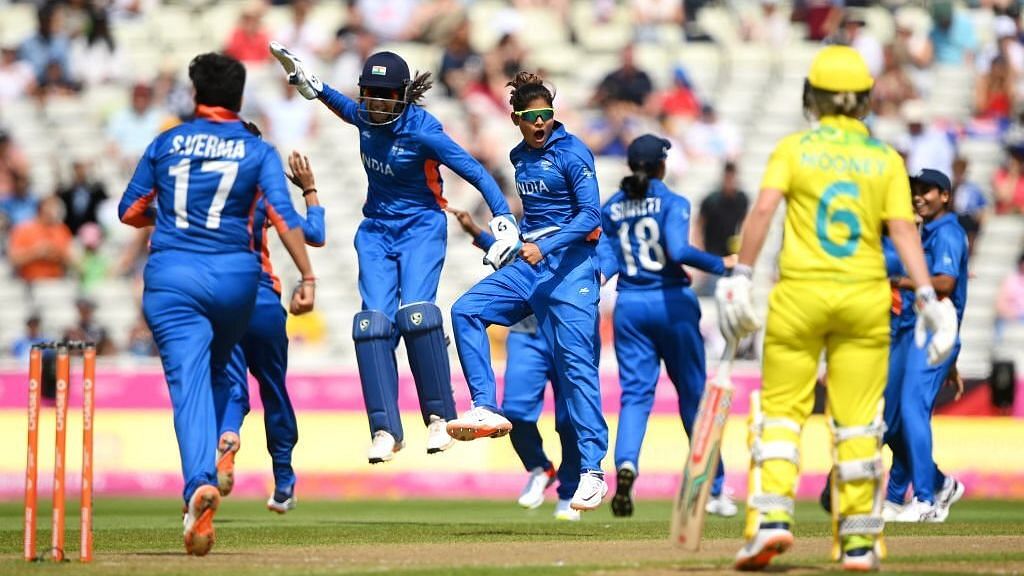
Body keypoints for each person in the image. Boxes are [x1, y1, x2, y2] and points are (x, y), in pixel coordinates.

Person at [715, 46, 958, 572]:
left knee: (780, 417)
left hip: (800, 297)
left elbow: (761, 211)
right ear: (865, 100)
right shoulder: (884, 159)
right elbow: (902, 232)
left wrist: (740, 276)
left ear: (812, 97)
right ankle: (859, 542)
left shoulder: (794, 148)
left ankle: (772, 523)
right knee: (858, 427)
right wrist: (924, 295)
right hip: (864, 301)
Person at [269, 42, 514, 463]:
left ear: (402, 95)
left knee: (417, 314)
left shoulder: (423, 131)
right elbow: (342, 106)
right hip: (376, 232)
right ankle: (385, 429)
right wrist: (313, 84)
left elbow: (474, 170)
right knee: (371, 325)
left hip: (421, 227)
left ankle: (440, 418)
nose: (376, 103)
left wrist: (503, 218)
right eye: (370, 93)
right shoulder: (364, 115)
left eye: (385, 95)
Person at [118, 52, 316, 556]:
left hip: (174, 277)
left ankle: (198, 485)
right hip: (238, 281)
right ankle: (252, 456)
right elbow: (285, 217)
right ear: (239, 97)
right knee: (228, 379)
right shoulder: (258, 150)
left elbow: (130, 210)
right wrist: (308, 275)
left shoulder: (166, 141)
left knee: (192, 385)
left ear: (194, 93)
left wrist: (173, 223)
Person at [445, 72, 609, 513]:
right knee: (466, 310)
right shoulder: (519, 156)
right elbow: (534, 220)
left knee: (577, 373)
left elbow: (591, 215)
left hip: (571, 269)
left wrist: (544, 245)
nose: (540, 123)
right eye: (531, 116)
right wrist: (505, 240)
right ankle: (483, 405)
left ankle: (593, 471)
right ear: (516, 119)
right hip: (531, 266)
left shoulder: (573, 152)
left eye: (546, 115)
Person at [597, 134, 737, 519]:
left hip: (629, 308)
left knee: (635, 397)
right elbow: (678, 251)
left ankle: (626, 465)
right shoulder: (673, 202)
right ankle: (715, 488)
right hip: (672, 303)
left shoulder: (612, 207)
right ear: (661, 165)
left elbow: (605, 266)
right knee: (693, 397)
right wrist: (722, 264)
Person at [447, 205, 582, 521]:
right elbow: (508, 255)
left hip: (564, 332)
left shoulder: (575, 224)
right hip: (526, 334)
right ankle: (539, 467)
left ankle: (569, 492)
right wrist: (475, 233)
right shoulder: (527, 224)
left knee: (569, 420)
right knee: (517, 413)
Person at [215, 151, 325, 514]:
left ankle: (228, 434)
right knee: (273, 389)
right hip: (261, 298)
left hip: (221, 300)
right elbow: (315, 235)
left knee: (232, 386)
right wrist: (309, 190)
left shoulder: (205, 193)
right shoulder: (264, 193)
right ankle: (283, 484)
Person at [883, 169, 968, 523]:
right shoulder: (925, 232)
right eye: (915, 191)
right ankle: (934, 485)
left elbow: (946, 283)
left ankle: (925, 499)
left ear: (945, 196)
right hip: (917, 330)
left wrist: (899, 281)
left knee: (911, 410)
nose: (919, 196)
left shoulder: (947, 232)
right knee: (892, 419)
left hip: (934, 331)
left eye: (927, 191)